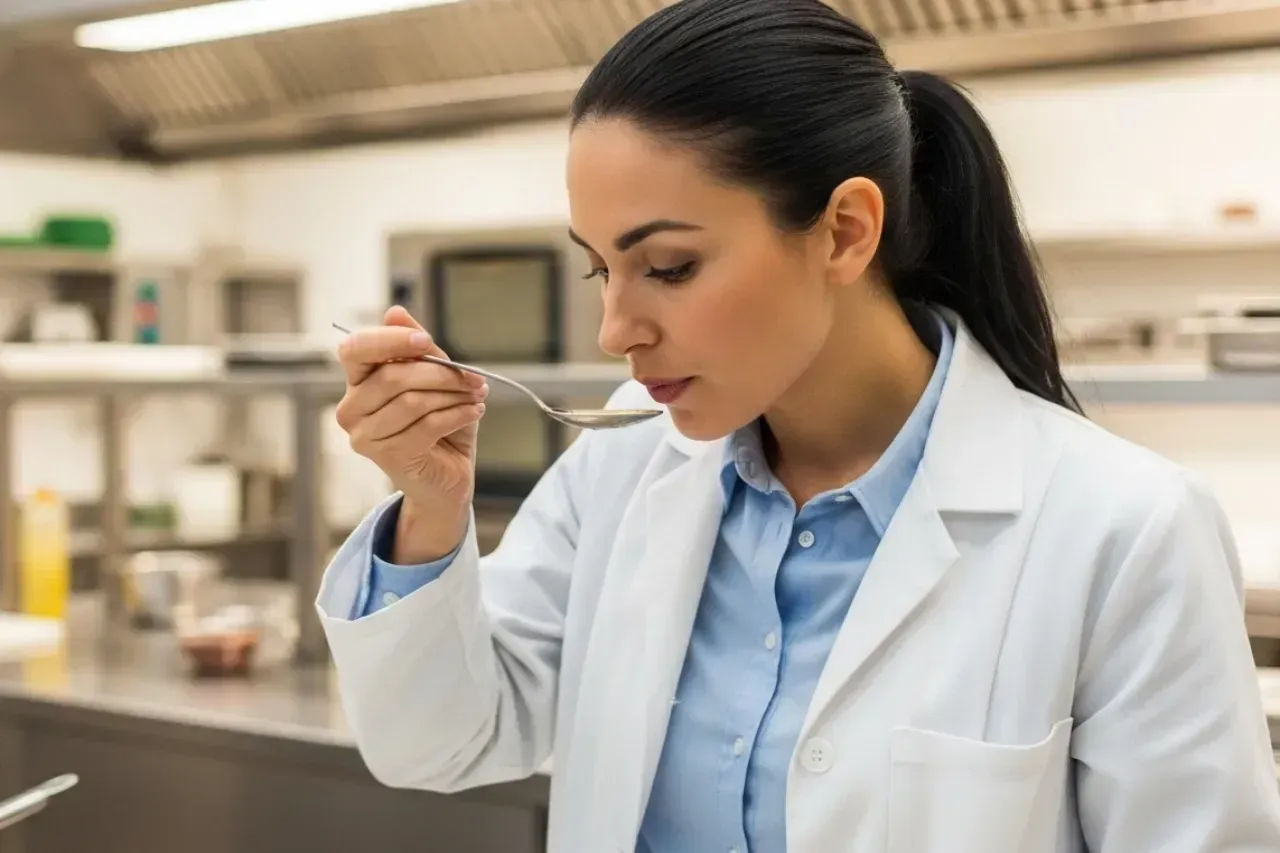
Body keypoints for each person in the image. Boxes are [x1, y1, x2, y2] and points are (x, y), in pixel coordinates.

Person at [317, 0, 1280, 850]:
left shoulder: (1122, 528)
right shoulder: (627, 459)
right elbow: (441, 740)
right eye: (599, 268)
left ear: (845, 231)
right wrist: (432, 504)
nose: (617, 329)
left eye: (671, 266)